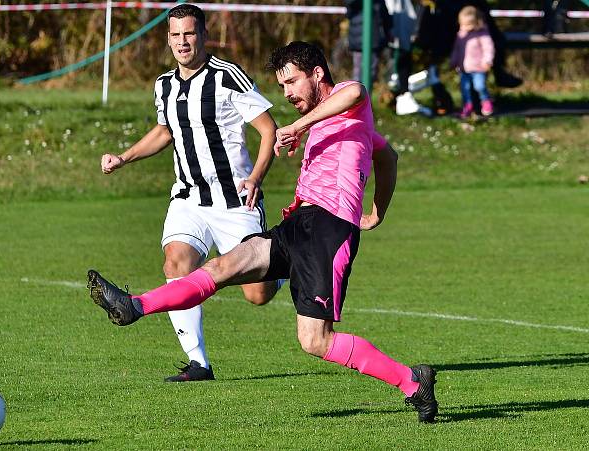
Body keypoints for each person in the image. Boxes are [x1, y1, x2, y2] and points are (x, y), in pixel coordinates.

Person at [88, 41, 439, 423]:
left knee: (314, 341)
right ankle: (135, 305)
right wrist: (376, 210)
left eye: (291, 82)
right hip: (296, 225)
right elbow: (388, 157)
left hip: (329, 230)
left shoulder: (349, 101)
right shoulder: (339, 123)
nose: (286, 93)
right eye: (282, 85)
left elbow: (358, 94)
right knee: (222, 267)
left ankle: (411, 381)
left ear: (317, 74)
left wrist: (373, 211)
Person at [98, 4, 281, 382]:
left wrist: (258, 177)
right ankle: (199, 363)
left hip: (236, 201)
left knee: (257, 295)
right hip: (189, 198)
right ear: (169, 39)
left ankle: (282, 264)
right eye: (175, 35)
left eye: (189, 33)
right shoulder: (163, 84)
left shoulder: (228, 77)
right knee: (176, 262)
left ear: (204, 35)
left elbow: (269, 129)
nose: (183, 42)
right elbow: (165, 131)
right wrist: (125, 157)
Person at [450, 5, 495, 117]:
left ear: (477, 22)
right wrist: (453, 61)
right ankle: (467, 105)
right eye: (463, 24)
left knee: (479, 86)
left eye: (468, 24)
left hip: (478, 67)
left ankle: (486, 101)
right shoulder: (461, 34)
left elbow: (488, 48)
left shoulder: (482, 34)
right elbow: (456, 50)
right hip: (463, 68)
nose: (465, 27)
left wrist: (487, 61)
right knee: (465, 88)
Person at [346, 0, 392, 90]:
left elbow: (384, 15)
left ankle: (363, 100)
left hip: (370, 40)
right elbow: (385, 17)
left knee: (365, 74)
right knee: (363, 75)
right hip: (367, 40)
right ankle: (361, 101)